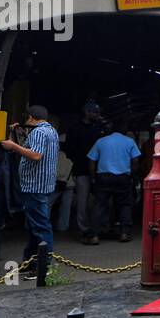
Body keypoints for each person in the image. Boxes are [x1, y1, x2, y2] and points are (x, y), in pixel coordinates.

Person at [0, 105, 59, 280]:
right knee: (34, 225)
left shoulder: (39, 132)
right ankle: (30, 261)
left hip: (35, 185)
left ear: (32, 118)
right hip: (42, 185)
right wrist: (19, 135)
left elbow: (35, 155)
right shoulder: (51, 131)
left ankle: (45, 265)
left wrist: (12, 146)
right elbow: (34, 148)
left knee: (40, 226)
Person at [84, 120, 141, 244]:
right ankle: (124, 233)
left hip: (103, 177)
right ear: (124, 131)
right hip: (122, 177)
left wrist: (93, 177)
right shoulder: (129, 142)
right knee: (124, 205)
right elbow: (136, 161)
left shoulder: (101, 141)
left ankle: (94, 236)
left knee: (99, 205)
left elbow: (91, 161)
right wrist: (132, 175)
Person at [64, 100, 107, 241]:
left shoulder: (99, 128)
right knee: (83, 201)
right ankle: (84, 228)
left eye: (98, 112)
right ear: (86, 112)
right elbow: (69, 148)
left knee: (100, 200)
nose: (97, 115)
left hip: (99, 169)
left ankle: (98, 226)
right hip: (82, 168)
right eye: (94, 112)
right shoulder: (75, 128)